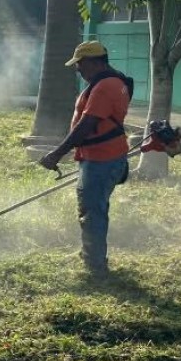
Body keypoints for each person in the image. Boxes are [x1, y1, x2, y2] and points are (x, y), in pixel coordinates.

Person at [38, 40, 133, 277]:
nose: (77, 69)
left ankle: (95, 265)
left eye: (79, 64)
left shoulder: (104, 87)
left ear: (92, 61)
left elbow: (86, 125)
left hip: (102, 160)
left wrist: (56, 154)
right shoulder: (110, 81)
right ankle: (92, 254)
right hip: (104, 156)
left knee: (93, 211)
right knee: (94, 208)